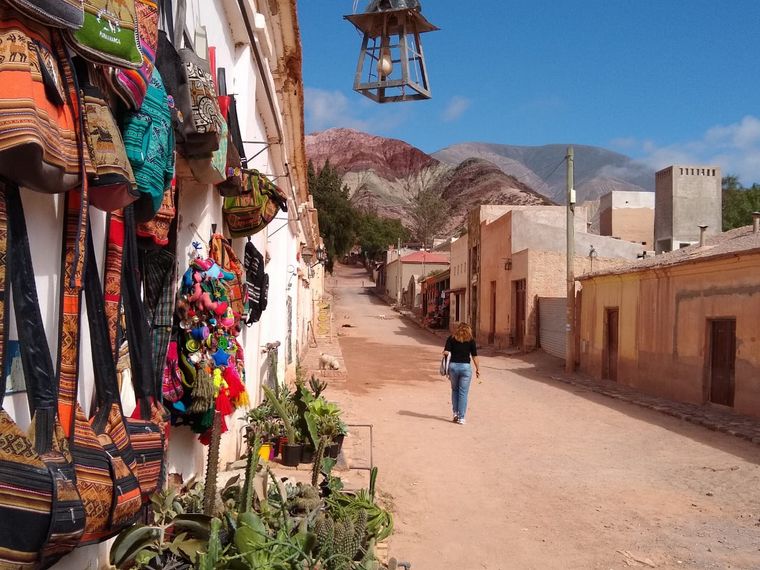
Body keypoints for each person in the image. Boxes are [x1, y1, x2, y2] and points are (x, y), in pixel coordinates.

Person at [442, 322, 480, 425]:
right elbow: (474, 356)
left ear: (458, 329)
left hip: (453, 367)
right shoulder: (471, 340)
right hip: (465, 368)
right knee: (463, 392)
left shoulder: (451, 338)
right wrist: (478, 369)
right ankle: (461, 417)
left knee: (455, 390)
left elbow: (446, 352)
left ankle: (455, 413)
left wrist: (446, 354)